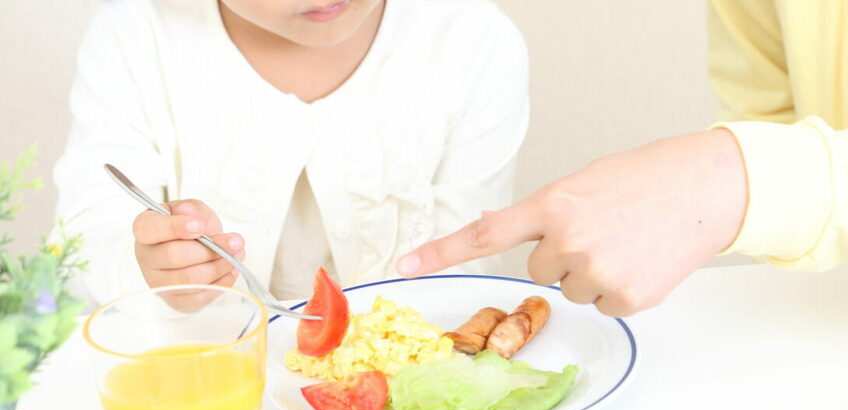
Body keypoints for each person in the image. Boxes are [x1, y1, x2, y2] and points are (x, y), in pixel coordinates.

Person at [396, 0, 848, 317]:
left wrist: (736, 179)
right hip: (845, 325)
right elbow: (770, 111)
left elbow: (766, 171)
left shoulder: (464, 43)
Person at [55, 0, 528, 306]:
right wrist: (152, 270)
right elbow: (85, 243)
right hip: (205, 395)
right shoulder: (137, 32)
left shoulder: (471, 38)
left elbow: (468, 266)